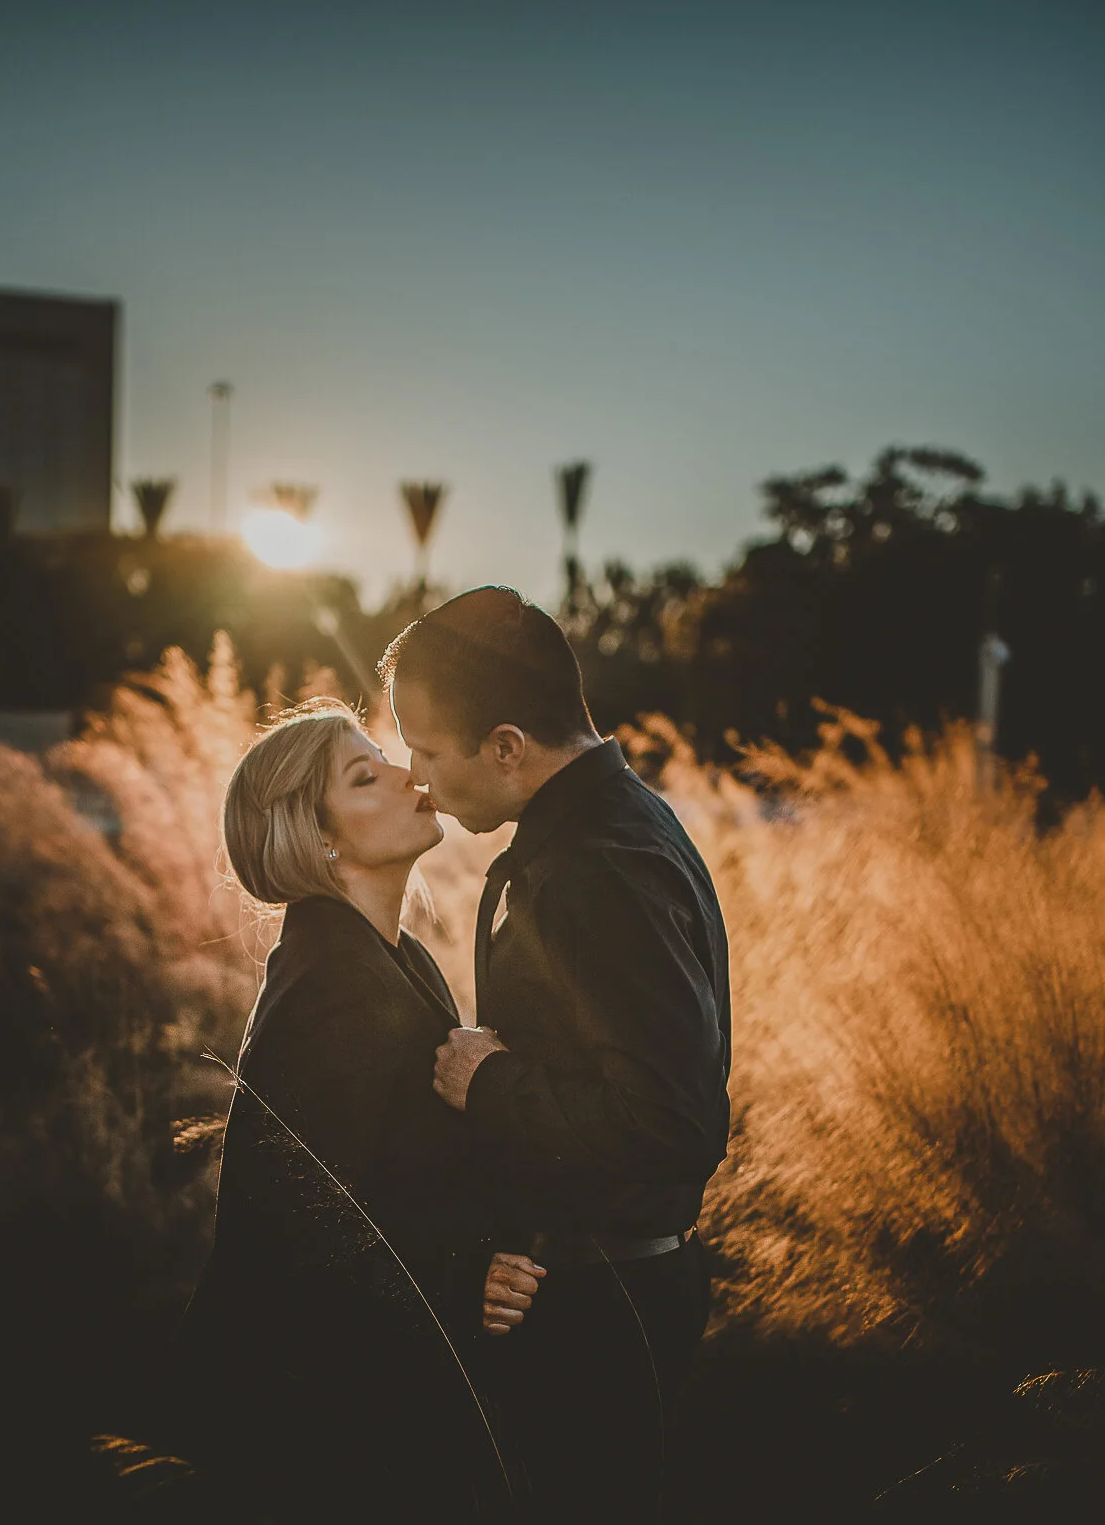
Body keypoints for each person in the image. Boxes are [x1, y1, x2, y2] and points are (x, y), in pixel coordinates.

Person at [382, 585, 731, 1522]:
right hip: (589, 1288)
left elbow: (673, 1125)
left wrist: (488, 1084)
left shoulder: (596, 866)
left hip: (599, 1309)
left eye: (427, 750)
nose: (416, 777)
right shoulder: (600, 826)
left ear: (506, 746)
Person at [179, 700, 521, 1521]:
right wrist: (462, 1279)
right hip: (315, 1429)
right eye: (365, 777)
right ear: (318, 839)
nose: (408, 776)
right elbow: (299, 1229)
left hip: (364, 1398)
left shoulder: (392, 958)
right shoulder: (331, 987)